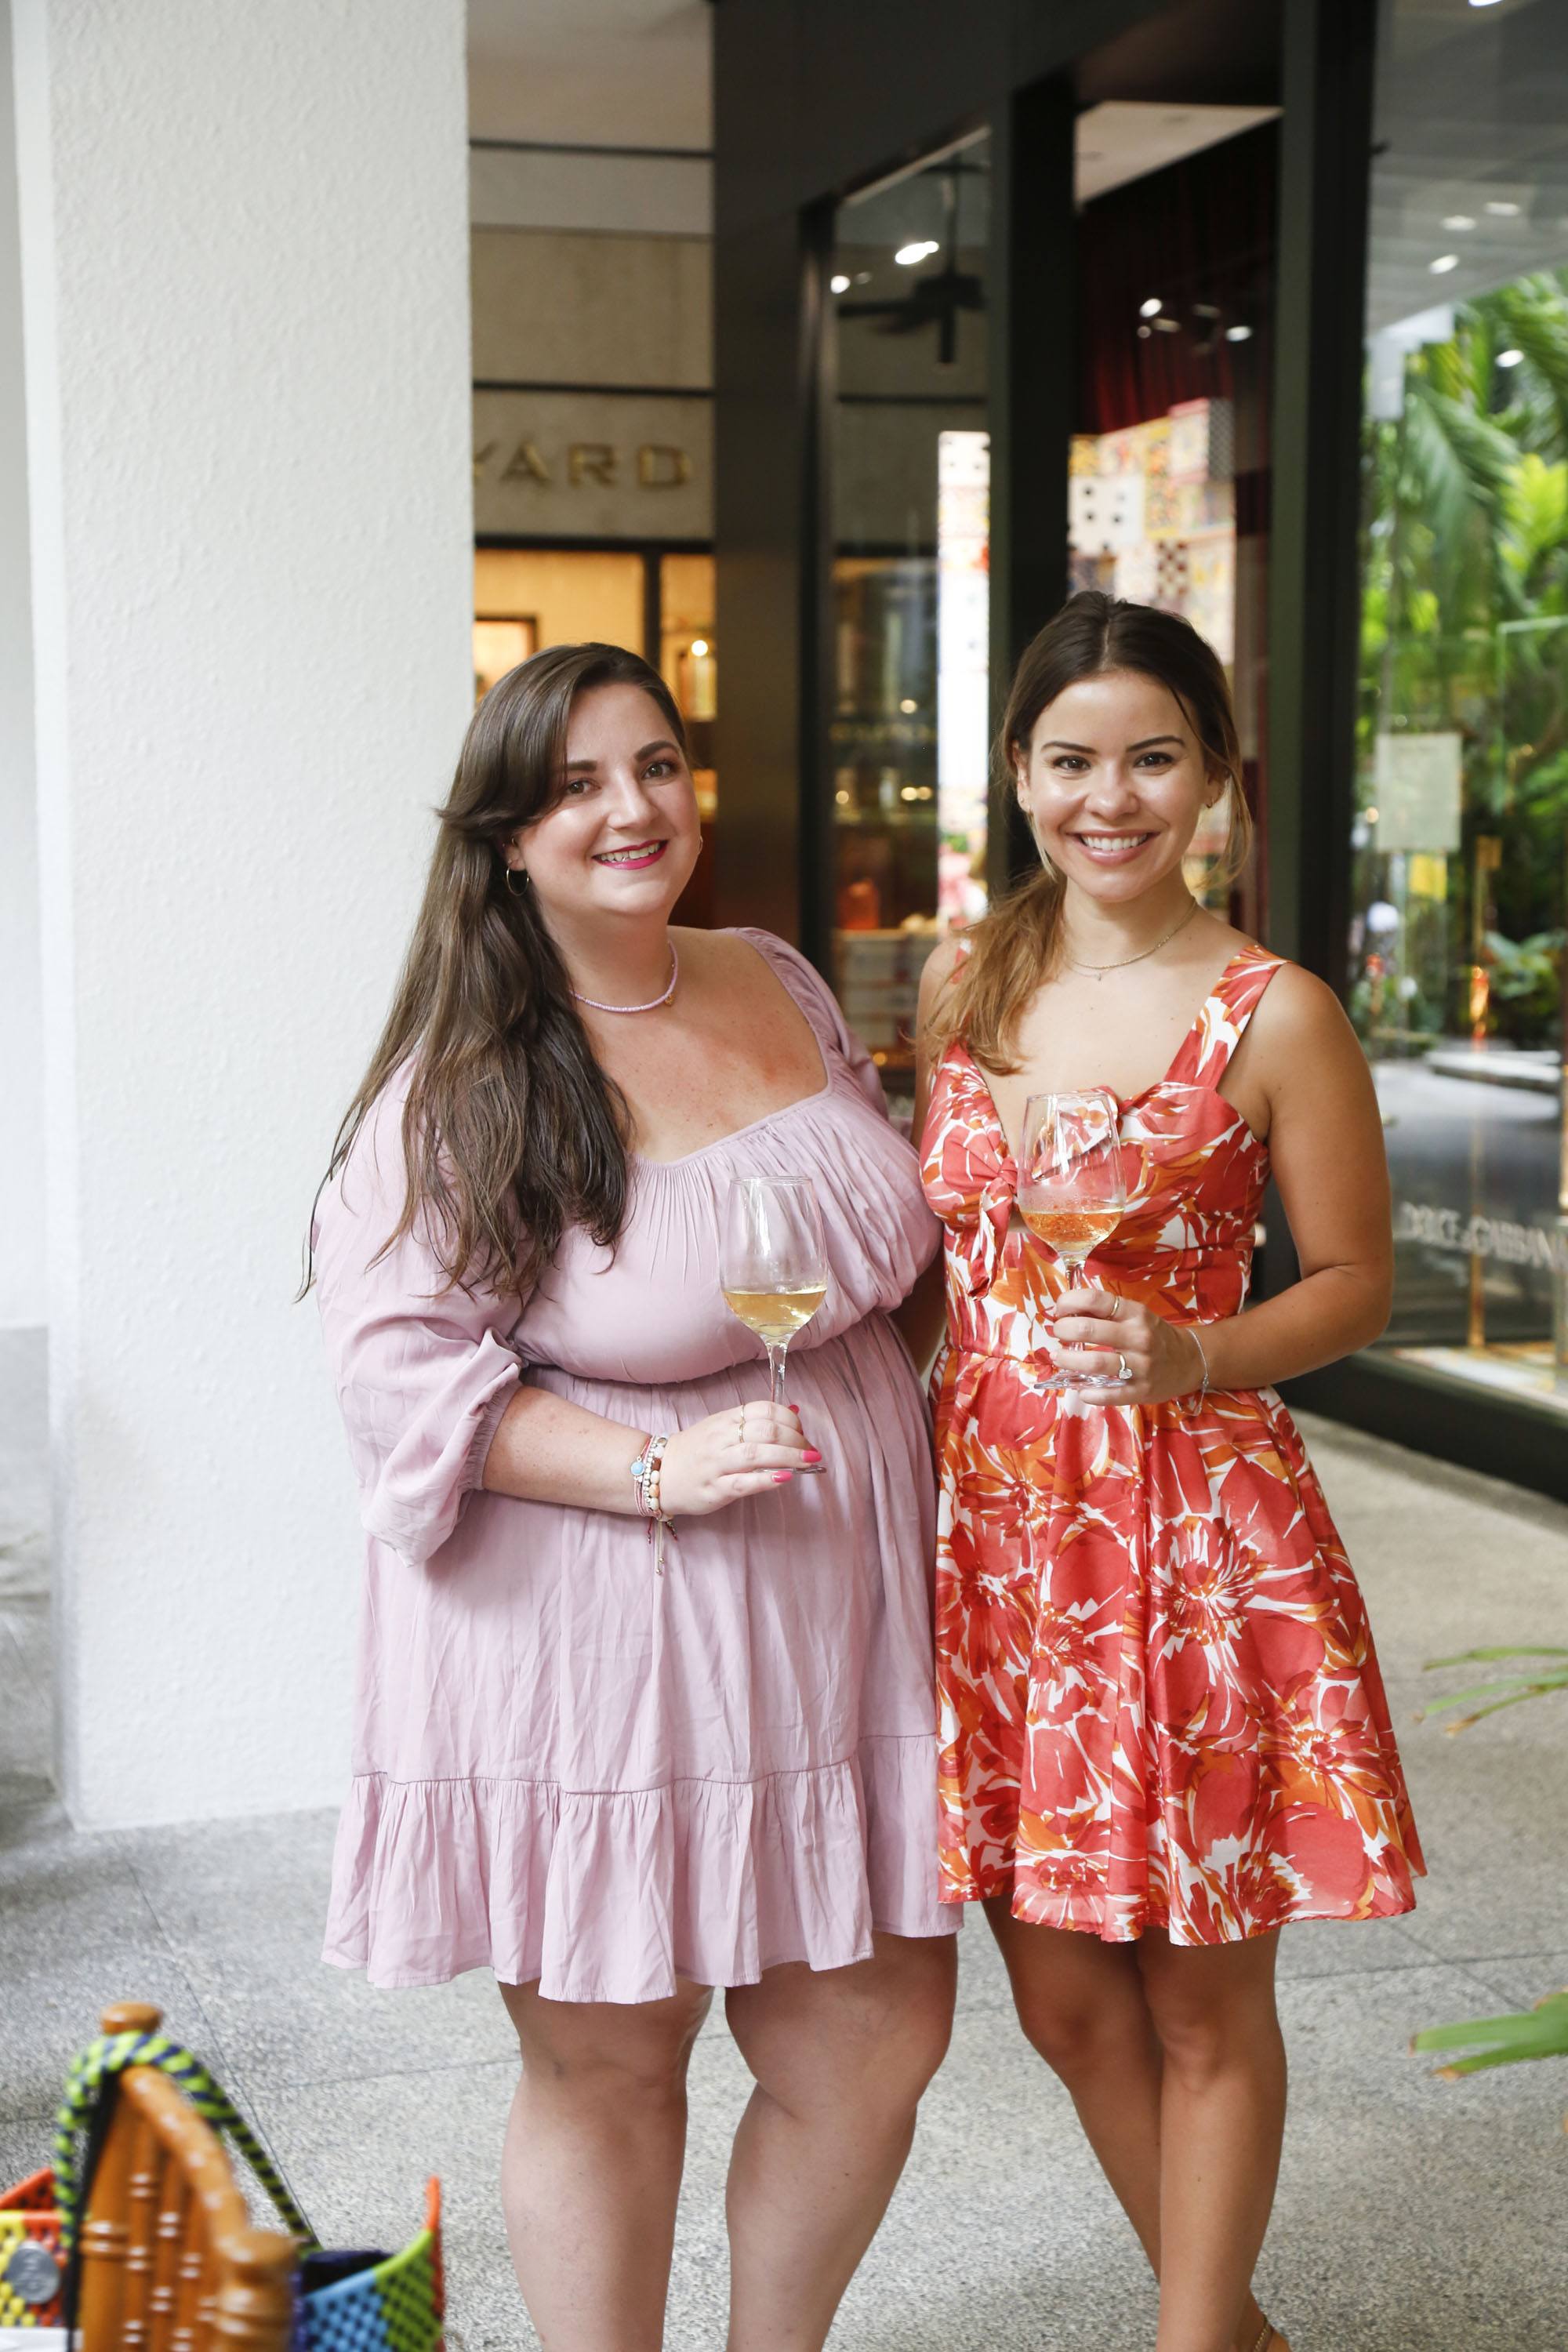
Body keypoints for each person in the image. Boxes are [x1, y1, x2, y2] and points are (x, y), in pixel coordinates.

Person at [308, 642, 956, 2352]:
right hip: (607, 1617)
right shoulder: (462, 1081)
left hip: (835, 1602)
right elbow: (392, 1373)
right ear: (505, 835)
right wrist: (651, 1469)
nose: (630, 809)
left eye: (657, 765)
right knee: (616, 2050)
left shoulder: (775, 977)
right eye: (578, 784)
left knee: (874, 2029)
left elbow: (874, 1238)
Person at [911, 591, 1425, 2352]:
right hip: (996, 1540)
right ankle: (1240, 2330)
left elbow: (1359, 1282)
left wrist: (1199, 1351)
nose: (1106, 797)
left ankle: (1194, 2336)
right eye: (1069, 760)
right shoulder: (963, 978)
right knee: (1061, 1997)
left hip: (1193, 1539)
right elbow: (938, 1270)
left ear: (1215, 775)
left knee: (1203, 1993)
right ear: (1016, 774)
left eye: (1150, 757)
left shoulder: (1276, 1012)